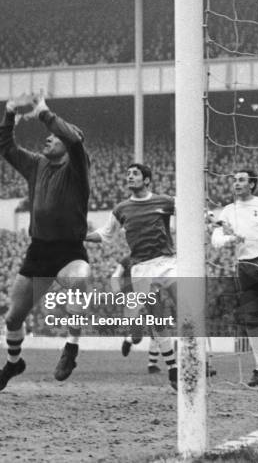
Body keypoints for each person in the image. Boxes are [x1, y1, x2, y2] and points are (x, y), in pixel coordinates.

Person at [0, 92, 91, 403]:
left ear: (67, 145)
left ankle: (71, 347)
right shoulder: (37, 165)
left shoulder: (77, 169)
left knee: (79, 280)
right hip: (39, 250)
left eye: (55, 138)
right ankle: (14, 364)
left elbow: (76, 141)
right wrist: (8, 114)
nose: (48, 140)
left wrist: (44, 112)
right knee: (13, 318)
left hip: (69, 250)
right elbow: (6, 148)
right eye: (48, 136)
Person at [85, 163, 178, 390]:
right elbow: (105, 235)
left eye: (135, 174)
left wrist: (209, 218)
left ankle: (196, 362)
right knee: (157, 320)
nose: (130, 177)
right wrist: (80, 236)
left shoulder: (165, 201)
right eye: (127, 174)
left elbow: (191, 211)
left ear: (147, 180)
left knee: (188, 306)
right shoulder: (121, 209)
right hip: (141, 269)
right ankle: (173, 369)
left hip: (166, 263)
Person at [211, 169, 258, 387]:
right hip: (245, 268)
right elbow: (216, 237)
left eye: (241, 180)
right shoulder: (228, 210)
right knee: (250, 318)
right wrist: (229, 239)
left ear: (252, 184)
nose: (236, 183)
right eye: (235, 180)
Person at [112, 255, 162, 373]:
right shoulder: (126, 260)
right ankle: (130, 340)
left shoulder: (152, 259)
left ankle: (152, 364)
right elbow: (115, 276)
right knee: (137, 336)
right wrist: (118, 293)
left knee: (157, 330)